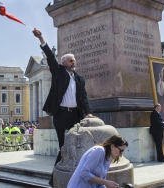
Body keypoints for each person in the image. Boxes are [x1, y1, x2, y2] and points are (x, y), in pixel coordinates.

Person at [32, 28, 95, 186]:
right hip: (61, 115)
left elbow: (84, 97)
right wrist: (41, 38)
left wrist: (88, 113)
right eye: (71, 60)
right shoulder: (58, 72)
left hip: (76, 116)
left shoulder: (80, 79)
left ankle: (75, 176)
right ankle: (55, 180)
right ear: (64, 63)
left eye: (74, 60)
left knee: (77, 146)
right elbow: (51, 58)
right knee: (64, 147)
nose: (74, 63)